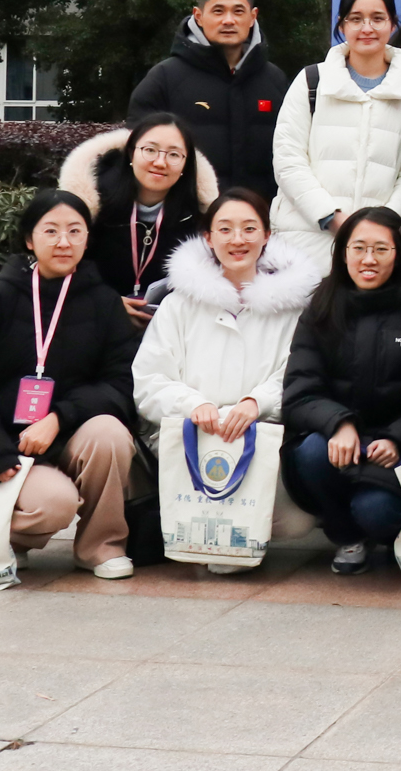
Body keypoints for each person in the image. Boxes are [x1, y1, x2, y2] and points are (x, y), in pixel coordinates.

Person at [132, 188, 320, 573]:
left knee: (295, 522)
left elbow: (299, 375)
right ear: (208, 237)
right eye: (225, 229)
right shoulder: (179, 304)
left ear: (267, 235)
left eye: (249, 228)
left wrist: (256, 403)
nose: (238, 239)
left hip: (258, 438)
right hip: (189, 437)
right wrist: (194, 405)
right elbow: (149, 379)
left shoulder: (291, 308)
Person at [0, 190, 142, 579]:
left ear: (87, 239)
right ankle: (2, 537)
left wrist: (60, 417)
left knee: (111, 433)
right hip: (8, 444)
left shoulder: (103, 302)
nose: (64, 241)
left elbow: (120, 381)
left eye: (75, 231)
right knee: (54, 506)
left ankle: (101, 547)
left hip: (71, 433)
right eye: (51, 231)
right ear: (29, 240)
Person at [281, 208, 401, 577]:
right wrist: (339, 424)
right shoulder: (322, 307)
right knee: (311, 452)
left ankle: (388, 533)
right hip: (341, 442)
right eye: (358, 248)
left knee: (376, 511)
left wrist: (397, 438)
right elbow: (299, 391)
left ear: (399, 253)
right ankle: (346, 535)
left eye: (381, 249)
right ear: (343, 253)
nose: (368, 259)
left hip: (397, 446)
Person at [271, 0, 401, 270]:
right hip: (303, 245)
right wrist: (331, 217)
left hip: (377, 252)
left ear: (393, 24)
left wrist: (378, 228)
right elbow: (287, 159)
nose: (366, 28)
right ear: (341, 24)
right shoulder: (311, 81)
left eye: (377, 18)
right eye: (356, 19)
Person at [128, 0, 288, 199]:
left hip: (259, 216)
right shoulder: (164, 78)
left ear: (253, 16)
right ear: (199, 16)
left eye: (238, 11)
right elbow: (137, 155)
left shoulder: (275, 80)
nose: (228, 20)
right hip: (187, 215)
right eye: (218, 11)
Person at [59, 114, 217, 323]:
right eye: (150, 150)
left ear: (186, 164)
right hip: (95, 322)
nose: (160, 162)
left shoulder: (196, 218)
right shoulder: (94, 207)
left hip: (171, 327)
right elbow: (64, 272)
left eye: (174, 154)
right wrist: (109, 303)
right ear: (131, 153)